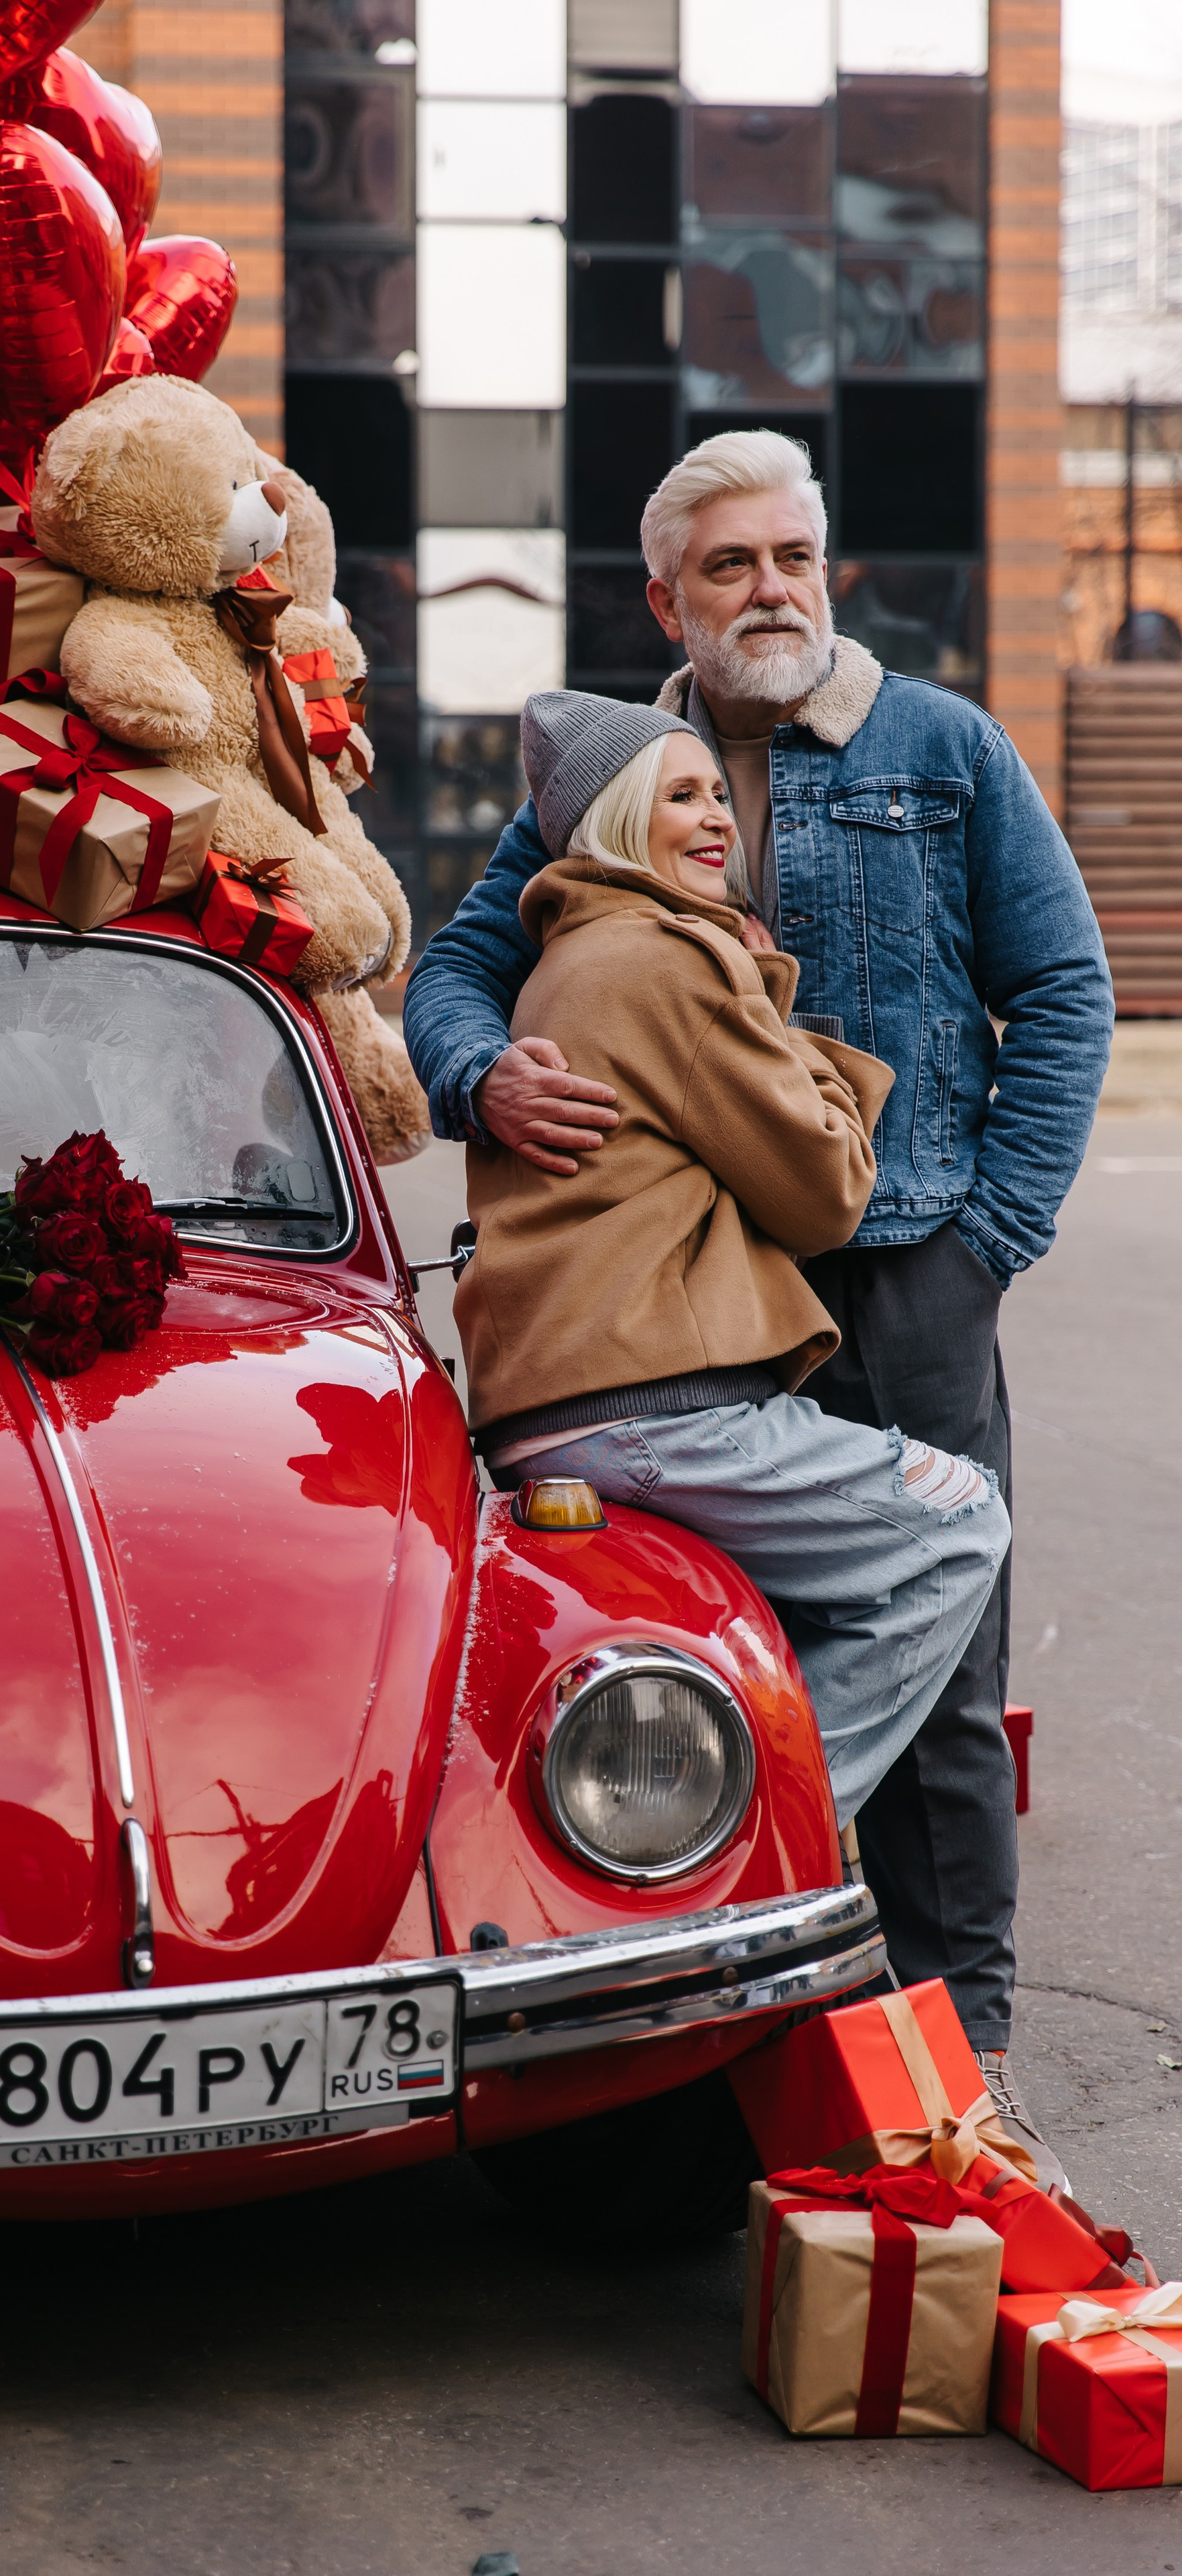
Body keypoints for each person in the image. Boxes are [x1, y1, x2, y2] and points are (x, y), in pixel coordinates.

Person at [406, 429, 1114, 2187]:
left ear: (828, 568)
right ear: (668, 600)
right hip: (692, 1312)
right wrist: (483, 1072)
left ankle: (964, 2067)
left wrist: (987, 1240)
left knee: (946, 1691)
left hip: (906, 1271)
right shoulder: (614, 773)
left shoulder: (941, 747)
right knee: (698, 1653)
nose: (769, 591)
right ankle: (745, 2025)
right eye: (727, 566)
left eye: (791, 556)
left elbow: (1064, 988)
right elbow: (459, 964)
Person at [461, 690, 1010, 1841]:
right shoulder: (672, 961)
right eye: (681, 795)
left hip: (553, 1411)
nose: (717, 817)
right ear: (620, 818)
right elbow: (827, 1189)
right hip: (661, 1407)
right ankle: (765, 1834)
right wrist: (774, 1001)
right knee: (961, 1523)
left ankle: (695, 1798)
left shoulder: (562, 961)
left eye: (718, 792)